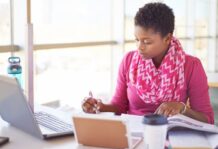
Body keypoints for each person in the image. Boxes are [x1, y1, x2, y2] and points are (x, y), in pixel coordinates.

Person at [82, 2, 214, 124]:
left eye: (147, 42)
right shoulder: (129, 61)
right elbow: (119, 106)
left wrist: (181, 108)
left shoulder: (191, 66)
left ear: (167, 38)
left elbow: (207, 119)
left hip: (171, 136)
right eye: (137, 39)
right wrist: (99, 106)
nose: (139, 47)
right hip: (133, 135)